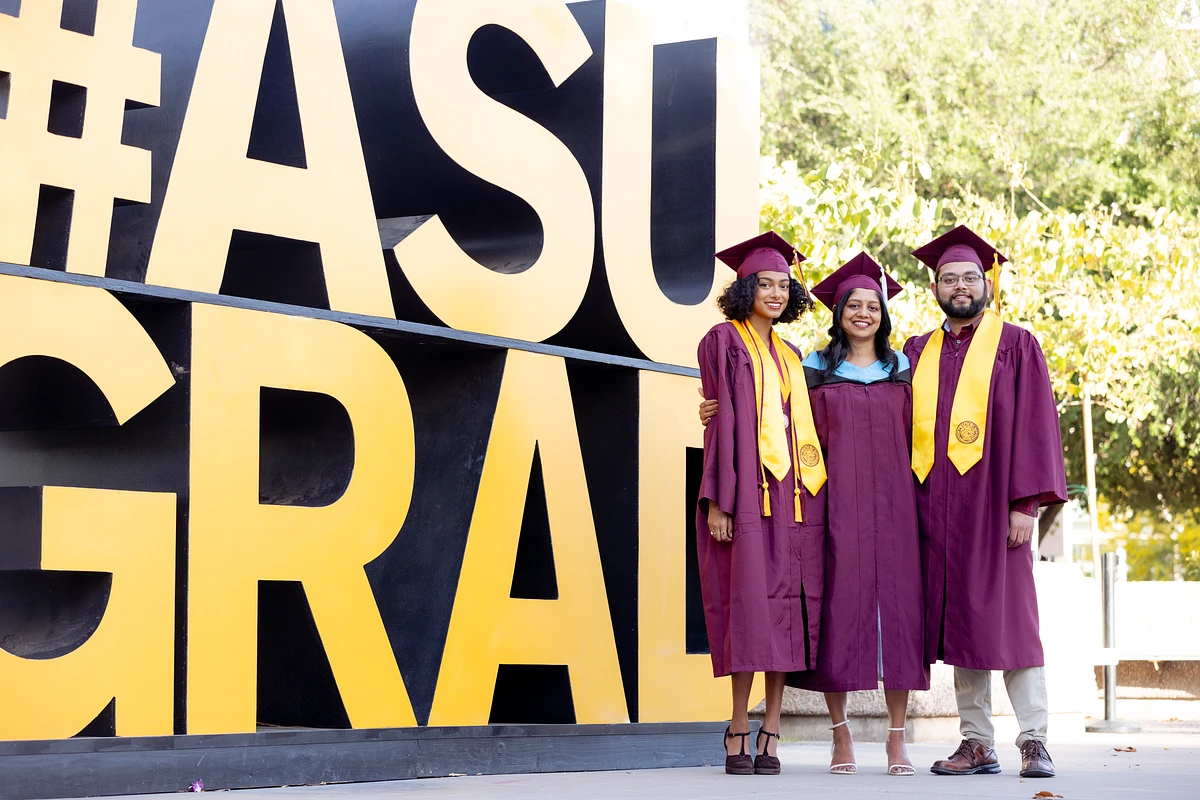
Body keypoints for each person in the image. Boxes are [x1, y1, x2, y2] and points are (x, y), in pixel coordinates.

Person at [701, 253, 928, 777]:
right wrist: (710, 407)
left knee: (899, 617)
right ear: (838, 311)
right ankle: (840, 738)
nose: (864, 313)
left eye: (873, 305)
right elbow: (763, 411)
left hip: (892, 506)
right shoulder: (813, 368)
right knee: (838, 613)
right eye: (854, 305)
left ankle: (896, 741)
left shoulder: (905, 370)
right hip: (828, 505)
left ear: (884, 314)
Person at [905, 225, 1068, 779]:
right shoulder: (916, 351)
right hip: (935, 513)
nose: (959, 286)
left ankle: (1035, 740)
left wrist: (1027, 504)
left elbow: (1037, 427)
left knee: (1013, 623)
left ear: (986, 282)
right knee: (963, 627)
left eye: (969, 277)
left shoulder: (1016, 344)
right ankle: (976, 743)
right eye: (948, 278)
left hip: (997, 509)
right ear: (935, 286)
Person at [696, 231, 827, 776]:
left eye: (783, 285)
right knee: (748, 610)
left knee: (787, 611)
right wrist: (718, 503)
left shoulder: (793, 355)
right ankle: (737, 726)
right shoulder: (722, 342)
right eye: (764, 283)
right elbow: (718, 423)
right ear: (745, 287)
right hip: (746, 496)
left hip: (796, 502)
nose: (775, 293)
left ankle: (772, 728)